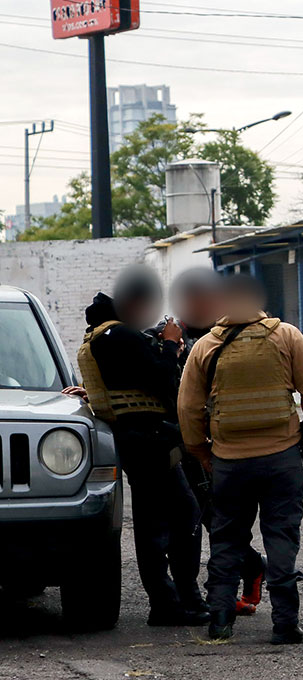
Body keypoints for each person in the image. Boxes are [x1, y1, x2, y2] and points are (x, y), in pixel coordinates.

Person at [177, 274, 303, 644]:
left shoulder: (205, 346)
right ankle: (285, 624)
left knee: (227, 540)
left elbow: (187, 408)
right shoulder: (287, 336)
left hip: (229, 462)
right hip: (281, 459)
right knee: (281, 537)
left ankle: (219, 622)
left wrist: (201, 451)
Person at [77, 265, 209, 626]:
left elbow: (132, 381)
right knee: (181, 517)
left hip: (138, 441)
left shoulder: (100, 336)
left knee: (157, 521)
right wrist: (168, 342)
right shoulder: (120, 336)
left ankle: (171, 602)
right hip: (150, 442)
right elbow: (162, 376)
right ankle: (178, 601)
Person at [165, 268, 268, 617]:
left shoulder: (224, 337)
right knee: (205, 518)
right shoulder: (174, 334)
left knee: (216, 520)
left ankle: (236, 581)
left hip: (219, 443)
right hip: (190, 443)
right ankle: (241, 574)